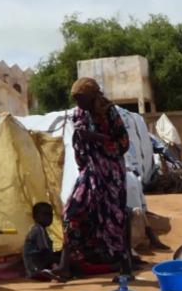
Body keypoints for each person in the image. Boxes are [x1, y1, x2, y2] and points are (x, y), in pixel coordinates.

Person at [54, 77, 134, 279]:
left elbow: (123, 144)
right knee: (71, 213)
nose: (78, 104)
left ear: (91, 97)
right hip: (90, 172)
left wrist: (95, 137)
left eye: (81, 99)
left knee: (114, 219)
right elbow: (79, 146)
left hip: (110, 175)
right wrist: (80, 139)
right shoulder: (79, 113)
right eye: (76, 99)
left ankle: (126, 268)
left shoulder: (109, 112)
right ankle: (66, 265)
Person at [23, 202, 59, 280]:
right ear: (35, 217)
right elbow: (44, 250)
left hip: (36, 267)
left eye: (50, 215)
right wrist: (54, 264)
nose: (49, 217)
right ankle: (56, 271)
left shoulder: (39, 229)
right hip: (37, 269)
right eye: (45, 214)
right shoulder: (39, 229)